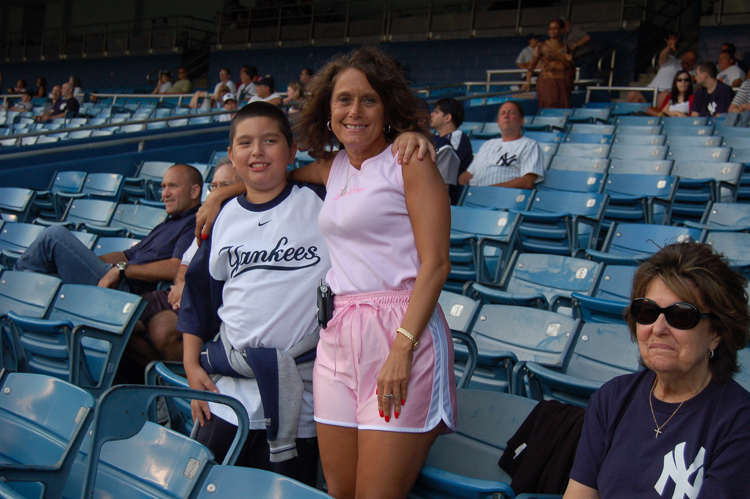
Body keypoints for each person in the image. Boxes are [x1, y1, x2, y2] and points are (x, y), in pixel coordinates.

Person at [192, 46, 453, 499]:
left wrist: (402, 349)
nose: (355, 111)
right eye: (343, 100)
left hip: (398, 331)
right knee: (339, 491)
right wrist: (222, 194)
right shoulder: (332, 168)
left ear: (387, 106)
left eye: (369, 100)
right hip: (337, 336)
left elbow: (437, 265)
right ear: (327, 110)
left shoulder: (410, 161)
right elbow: (279, 179)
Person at [180, 102, 330, 484]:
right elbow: (197, 298)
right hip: (228, 393)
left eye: (270, 140)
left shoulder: (321, 203)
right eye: (245, 143)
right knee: (210, 488)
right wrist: (191, 366)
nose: (257, 151)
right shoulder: (222, 216)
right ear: (231, 154)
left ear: (291, 149)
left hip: (300, 394)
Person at [563, 241, 750, 499]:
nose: (658, 328)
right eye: (647, 311)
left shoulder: (739, 422)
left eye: (681, 315)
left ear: (717, 332)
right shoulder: (611, 399)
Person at [125, 160, 242, 371]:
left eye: (223, 186)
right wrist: (182, 287)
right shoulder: (208, 222)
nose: (215, 193)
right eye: (213, 187)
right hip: (188, 298)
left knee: (162, 328)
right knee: (121, 324)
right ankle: (162, 387)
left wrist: (187, 291)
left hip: (217, 305)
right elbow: (184, 265)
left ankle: (194, 388)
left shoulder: (246, 222)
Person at [14, 164, 202, 296]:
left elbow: (176, 267)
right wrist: (86, 262)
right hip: (114, 276)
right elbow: (126, 254)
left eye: (173, 186)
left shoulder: (193, 223)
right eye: (163, 187)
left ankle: (11, 279)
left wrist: (121, 270)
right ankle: (14, 283)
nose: (164, 194)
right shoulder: (168, 223)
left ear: (194, 191)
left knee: (54, 235)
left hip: (124, 289)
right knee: (39, 278)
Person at [459, 100, 544, 189]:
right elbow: (467, 175)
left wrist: (488, 190)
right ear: (498, 122)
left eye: (511, 113)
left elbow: (527, 182)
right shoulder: (488, 144)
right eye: (503, 113)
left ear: (521, 121)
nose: (506, 116)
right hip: (473, 196)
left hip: (504, 198)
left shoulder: (529, 145)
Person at [628, 36, 697, 108]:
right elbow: (662, 57)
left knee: (665, 95)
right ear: (683, 57)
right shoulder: (672, 61)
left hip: (666, 94)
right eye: (686, 58)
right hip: (650, 90)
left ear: (694, 63)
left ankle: (652, 116)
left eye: (691, 60)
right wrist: (668, 48)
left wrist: (695, 81)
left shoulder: (695, 74)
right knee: (632, 94)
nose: (687, 61)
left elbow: (696, 88)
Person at [523, 19, 574, 109]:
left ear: (561, 30)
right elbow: (532, 66)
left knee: (562, 110)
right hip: (547, 81)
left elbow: (571, 67)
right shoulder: (541, 46)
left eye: (555, 28)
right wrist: (528, 81)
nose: (552, 31)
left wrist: (570, 60)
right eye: (550, 29)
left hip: (562, 83)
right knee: (549, 107)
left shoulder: (565, 47)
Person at [430, 97, 473, 203]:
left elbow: (446, 165)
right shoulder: (434, 137)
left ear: (447, 118)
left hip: (449, 194)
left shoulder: (457, 137)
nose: (431, 115)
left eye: (436, 112)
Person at [561, 17, 598, 82]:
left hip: (586, 58)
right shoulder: (565, 35)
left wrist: (575, 46)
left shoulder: (576, 28)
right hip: (576, 60)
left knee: (582, 80)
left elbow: (586, 38)